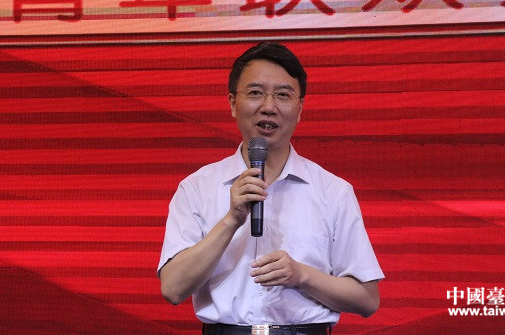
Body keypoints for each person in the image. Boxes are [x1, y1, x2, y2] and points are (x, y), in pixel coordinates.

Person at [158, 42, 384, 335]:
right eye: (255, 93)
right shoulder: (196, 188)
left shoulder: (333, 192)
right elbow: (172, 288)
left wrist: (302, 275)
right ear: (232, 103)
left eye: (283, 95)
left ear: (300, 109)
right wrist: (231, 220)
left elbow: (367, 299)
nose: (268, 106)